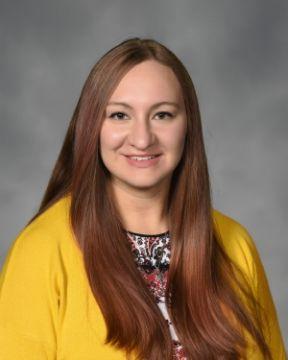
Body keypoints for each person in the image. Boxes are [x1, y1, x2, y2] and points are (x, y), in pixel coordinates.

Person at [0, 37, 286, 360]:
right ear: (92, 125)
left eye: (162, 115)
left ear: (187, 125)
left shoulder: (236, 246)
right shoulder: (41, 251)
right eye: (120, 115)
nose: (141, 138)